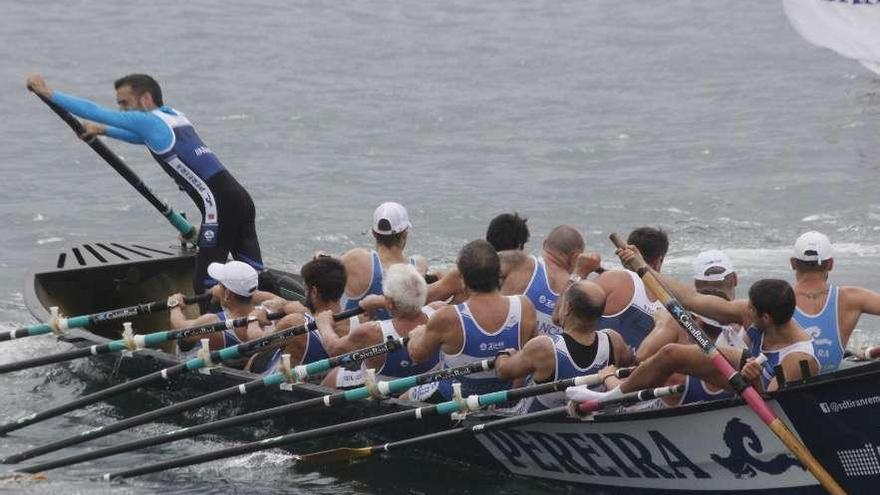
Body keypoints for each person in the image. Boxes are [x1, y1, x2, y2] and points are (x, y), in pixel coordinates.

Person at [26, 74, 266, 298]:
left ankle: (210, 338)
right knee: (254, 274)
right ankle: (271, 321)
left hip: (219, 207)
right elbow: (142, 137)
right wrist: (104, 131)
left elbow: (95, 111)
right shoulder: (174, 116)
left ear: (146, 99)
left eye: (124, 103)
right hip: (240, 200)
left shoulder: (148, 121)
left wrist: (47, 92)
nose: (121, 110)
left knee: (204, 284)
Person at [569, 246, 818, 403]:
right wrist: (642, 268)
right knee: (671, 354)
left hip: (762, 386)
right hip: (750, 364)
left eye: (751, 309)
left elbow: (771, 410)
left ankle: (613, 391)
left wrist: (751, 381)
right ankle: (609, 396)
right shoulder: (751, 313)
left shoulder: (798, 359)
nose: (744, 310)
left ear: (766, 318)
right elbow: (692, 299)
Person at [406, 240, 538, 401]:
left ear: (462, 279)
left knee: (404, 395)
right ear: (498, 273)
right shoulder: (525, 306)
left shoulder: (447, 317)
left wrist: (419, 334)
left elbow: (417, 355)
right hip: (503, 399)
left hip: (455, 399)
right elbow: (533, 354)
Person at [494, 281, 631, 413]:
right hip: (582, 421)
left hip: (534, 422)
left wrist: (504, 355)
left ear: (568, 308)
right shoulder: (614, 340)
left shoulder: (543, 347)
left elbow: (503, 372)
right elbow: (630, 361)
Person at [316, 264, 445, 389]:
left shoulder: (372, 332)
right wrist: (381, 302)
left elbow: (333, 350)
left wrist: (324, 324)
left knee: (334, 375)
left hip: (384, 390)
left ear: (389, 302)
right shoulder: (440, 312)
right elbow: (410, 308)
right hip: (425, 382)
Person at [249, 256, 375, 377]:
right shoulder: (363, 323)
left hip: (283, 389)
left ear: (314, 292)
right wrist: (304, 312)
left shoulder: (294, 323)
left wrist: (254, 318)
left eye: (306, 289)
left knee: (254, 359)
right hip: (328, 387)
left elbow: (254, 345)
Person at [790, 231, 880, 372]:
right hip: (833, 388)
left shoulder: (775, 299)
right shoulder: (851, 298)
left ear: (793, 263)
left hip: (784, 389)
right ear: (831, 264)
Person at [635, 249, 744, 362]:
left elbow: (640, 357)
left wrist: (661, 321)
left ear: (696, 284)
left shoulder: (675, 320)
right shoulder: (749, 318)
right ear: (735, 279)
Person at [498, 225, 600, 336]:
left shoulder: (520, 263)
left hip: (504, 348)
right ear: (576, 258)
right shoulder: (580, 289)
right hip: (546, 351)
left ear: (545, 243)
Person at [585, 227, 668, 352]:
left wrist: (580, 273)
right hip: (641, 369)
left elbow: (561, 316)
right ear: (659, 260)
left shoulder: (612, 279)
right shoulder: (672, 301)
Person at [339, 202, 426, 320]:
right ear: (405, 233)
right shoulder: (419, 266)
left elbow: (328, 267)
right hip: (400, 335)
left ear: (374, 233)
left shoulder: (357, 259)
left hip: (361, 335)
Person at [168, 261, 265, 356]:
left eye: (219, 284)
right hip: (240, 359)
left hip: (204, 357)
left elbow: (180, 329)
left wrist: (174, 304)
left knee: (184, 343)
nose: (215, 287)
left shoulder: (211, 321)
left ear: (227, 294)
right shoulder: (269, 309)